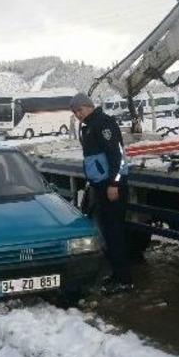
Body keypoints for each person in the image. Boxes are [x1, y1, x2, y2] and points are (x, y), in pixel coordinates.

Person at [70, 93, 132, 292]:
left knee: (115, 233)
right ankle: (117, 273)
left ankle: (124, 280)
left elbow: (118, 156)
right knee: (109, 232)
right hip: (100, 186)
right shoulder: (90, 126)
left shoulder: (104, 124)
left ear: (89, 106)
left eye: (80, 109)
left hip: (112, 187)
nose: (78, 114)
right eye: (75, 112)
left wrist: (114, 183)